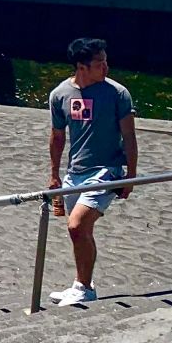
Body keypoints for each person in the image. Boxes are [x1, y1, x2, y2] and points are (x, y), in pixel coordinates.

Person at [47, 37, 138, 307]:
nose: (106, 68)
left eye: (106, 62)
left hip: (107, 171)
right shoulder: (60, 94)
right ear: (82, 67)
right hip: (75, 173)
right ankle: (82, 284)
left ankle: (84, 287)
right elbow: (57, 137)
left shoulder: (118, 94)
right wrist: (54, 174)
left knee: (78, 225)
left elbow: (129, 136)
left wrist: (130, 176)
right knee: (79, 233)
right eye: (100, 64)